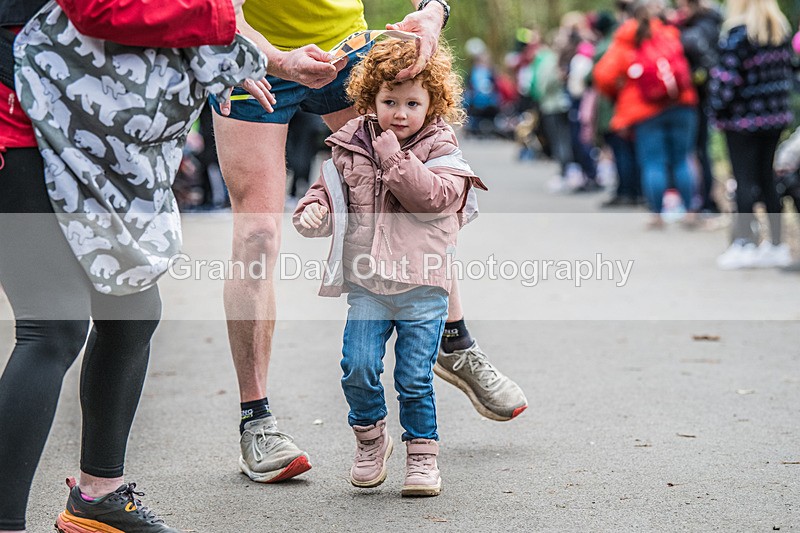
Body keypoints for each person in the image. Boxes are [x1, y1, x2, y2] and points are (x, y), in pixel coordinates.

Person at [208, 0, 528, 484]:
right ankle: (258, 421)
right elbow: (208, 10)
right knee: (256, 232)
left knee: (413, 189)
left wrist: (433, 13)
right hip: (252, 54)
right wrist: (277, 59)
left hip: (347, 51)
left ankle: (453, 339)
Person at [0, 0, 270, 531]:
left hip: (85, 136)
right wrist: (225, 24)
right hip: (18, 121)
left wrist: (264, 56)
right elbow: (100, 8)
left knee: (132, 311)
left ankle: (98, 495)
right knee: (52, 327)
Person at [294, 38, 484, 496]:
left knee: (414, 377)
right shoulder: (350, 144)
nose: (400, 113)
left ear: (433, 103)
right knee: (357, 366)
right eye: (389, 102)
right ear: (370, 100)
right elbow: (330, 193)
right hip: (369, 282)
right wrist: (313, 213)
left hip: (423, 284)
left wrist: (394, 157)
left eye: (413, 103)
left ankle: (421, 456)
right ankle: (370, 439)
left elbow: (434, 199)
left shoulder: (442, 146)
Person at [594, 0, 698, 228]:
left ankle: (657, 215)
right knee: (682, 160)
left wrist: (620, 92)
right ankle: (690, 212)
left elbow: (603, 76)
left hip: (644, 111)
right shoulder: (670, 33)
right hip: (681, 105)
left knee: (653, 164)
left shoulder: (624, 41)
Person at [709, 0, 793, 269]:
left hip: (743, 119)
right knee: (767, 179)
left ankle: (744, 242)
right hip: (775, 117)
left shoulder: (738, 36)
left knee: (744, 180)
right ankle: (777, 244)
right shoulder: (780, 31)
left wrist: (715, 109)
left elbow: (726, 81)